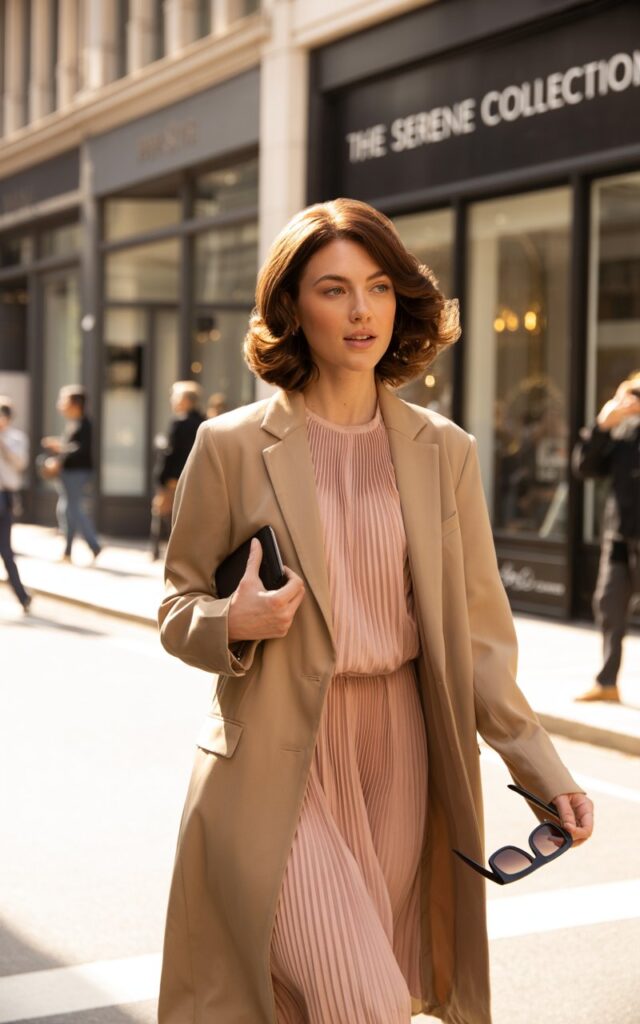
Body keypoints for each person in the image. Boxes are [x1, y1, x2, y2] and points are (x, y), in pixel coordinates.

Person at [157, 199, 593, 1024]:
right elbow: (177, 603)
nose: (361, 311)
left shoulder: (446, 450)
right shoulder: (230, 445)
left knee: (354, 994)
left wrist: (544, 772)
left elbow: (478, 636)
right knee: (359, 1000)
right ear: (292, 308)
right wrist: (232, 623)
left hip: (400, 752)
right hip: (280, 757)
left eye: (379, 287)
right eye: (334, 289)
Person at [573, 371, 640, 703]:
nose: (634, 402)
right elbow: (585, 467)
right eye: (631, 394)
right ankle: (607, 683)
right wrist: (602, 425)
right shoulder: (620, 431)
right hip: (619, 537)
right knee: (609, 605)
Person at [41, 385, 101, 563]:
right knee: (66, 511)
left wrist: (60, 448)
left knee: (73, 509)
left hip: (78, 473)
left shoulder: (85, 424)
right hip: (68, 474)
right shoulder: (73, 423)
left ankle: (94, 545)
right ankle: (68, 552)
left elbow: (80, 450)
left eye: (64, 400)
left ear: (75, 403)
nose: (60, 404)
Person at [150, 381, 205, 559]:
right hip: (195, 477)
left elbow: (172, 453)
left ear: (186, 400)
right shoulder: (204, 422)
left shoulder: (181, 423)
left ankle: (159, 551)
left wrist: (165, 478)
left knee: (163, 511)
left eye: (175, 398)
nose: (173, 402)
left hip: (174, 477)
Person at [0, 396, 31, 612]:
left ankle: (22, 596)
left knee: (6, 550)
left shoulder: (16, 438)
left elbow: (20, 464)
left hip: (6, 496)